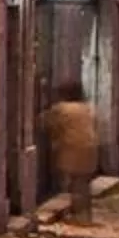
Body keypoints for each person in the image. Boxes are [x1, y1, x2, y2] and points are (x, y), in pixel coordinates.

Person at [43, 75, 100, 226]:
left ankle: (80, 217)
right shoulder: (86, 108)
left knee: (76, 185)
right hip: (90, 148)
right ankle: (86, 215)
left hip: (73, 149)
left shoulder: (62, 109)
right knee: (84, 184)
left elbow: (45, 121)